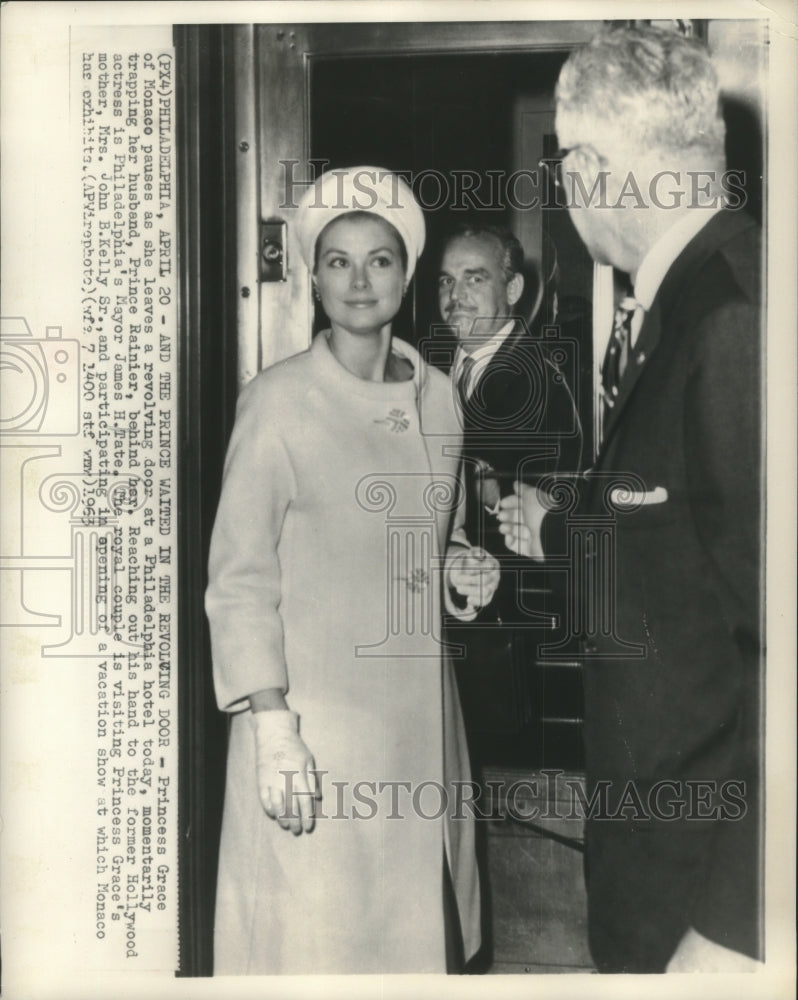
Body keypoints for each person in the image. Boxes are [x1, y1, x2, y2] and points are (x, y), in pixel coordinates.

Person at [498, 26, 763, 973]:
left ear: (590, 168)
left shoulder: (734, 322)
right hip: (660, 853)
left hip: (708, 894)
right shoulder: (687, 305)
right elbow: (682, 548)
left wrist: (742, 921)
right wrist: (566, 530)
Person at [205, 166, 500, 974]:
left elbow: (428, 541)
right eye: (337, 261)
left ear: (407, 276)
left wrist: (460, 569)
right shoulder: (277, 400)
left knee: (419, 950)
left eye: (379, 259)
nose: (359, 280)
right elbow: (238, 580)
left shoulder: (441, 400)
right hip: (314, 732)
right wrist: (272, 727)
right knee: (318, 954)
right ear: (313, 278)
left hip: (419, 737)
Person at [437, 223, 582, 742]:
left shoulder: (535, 377)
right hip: (447, 614)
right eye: (446, 281)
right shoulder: (431, 368)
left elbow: (497, 498)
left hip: (502, 630)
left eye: (474, 279)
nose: (456, 296)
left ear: (513, 290)